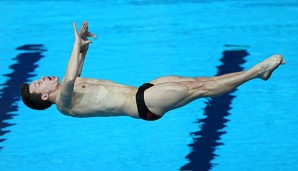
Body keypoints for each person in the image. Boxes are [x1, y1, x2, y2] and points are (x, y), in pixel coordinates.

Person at [21, 21, 285, 121]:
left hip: (143, 89)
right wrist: (74, 43)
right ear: (45, 97)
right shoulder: (63, 105)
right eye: (38, 84)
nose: (42, 78)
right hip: (143, 106)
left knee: (201, 81)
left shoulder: (70, 85)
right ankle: (256, 71)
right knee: (202, 89)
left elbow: (75, 71)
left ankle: (256, 73)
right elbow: (68, 80)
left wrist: (83, 43)